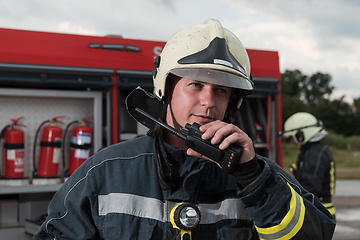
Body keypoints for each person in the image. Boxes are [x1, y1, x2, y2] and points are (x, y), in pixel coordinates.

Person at [34, 19, 335, 240]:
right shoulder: (106, 172)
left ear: (232, 102)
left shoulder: (258, 176)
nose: (208, 102)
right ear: (165, 87)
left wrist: (254, 180)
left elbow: (315, 235)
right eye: (195, 85)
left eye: (220, 91)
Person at [282, 112, 336, 218]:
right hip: (317, 210)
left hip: (318, 212)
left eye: (293, 137)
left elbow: (311, 187)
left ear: (301, 135)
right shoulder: (313, 151)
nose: (292, 141)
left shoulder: (315, 154)